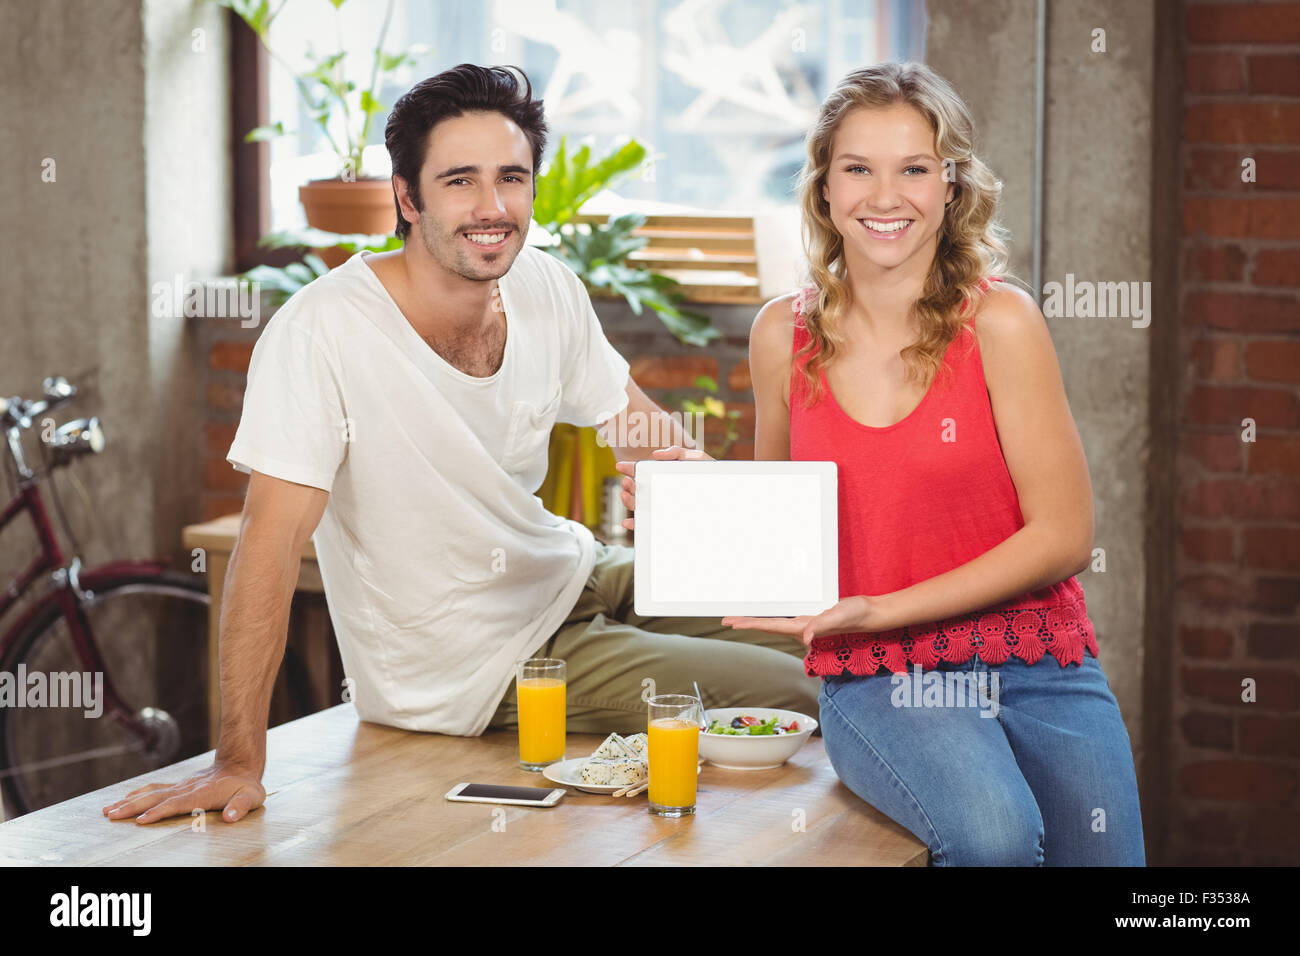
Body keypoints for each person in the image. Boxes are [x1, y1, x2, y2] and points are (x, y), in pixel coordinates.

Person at [103, 63, 818, 827]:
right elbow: (268, 545)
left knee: (818, 619)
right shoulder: (324, 331)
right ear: (407, 198)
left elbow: (640, 433)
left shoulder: (543, 286)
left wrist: (695, 488)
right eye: (459, 181)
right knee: (804, 683)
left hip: (570, 569)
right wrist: (239, 760)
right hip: (482, 667)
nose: (491, 207)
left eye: (511, 177)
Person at [620, 61, 1144, 866]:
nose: (885, 195)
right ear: (825, 187)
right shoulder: (779, 337)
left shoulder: (1002, 323)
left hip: (1037, 661)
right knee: (997, 840)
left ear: (951, 185)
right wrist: (684, 506)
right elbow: (779, 546)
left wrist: (881, 601)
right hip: (881, 673)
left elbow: (1067, 534)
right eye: (858, 168)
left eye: (914, 168)